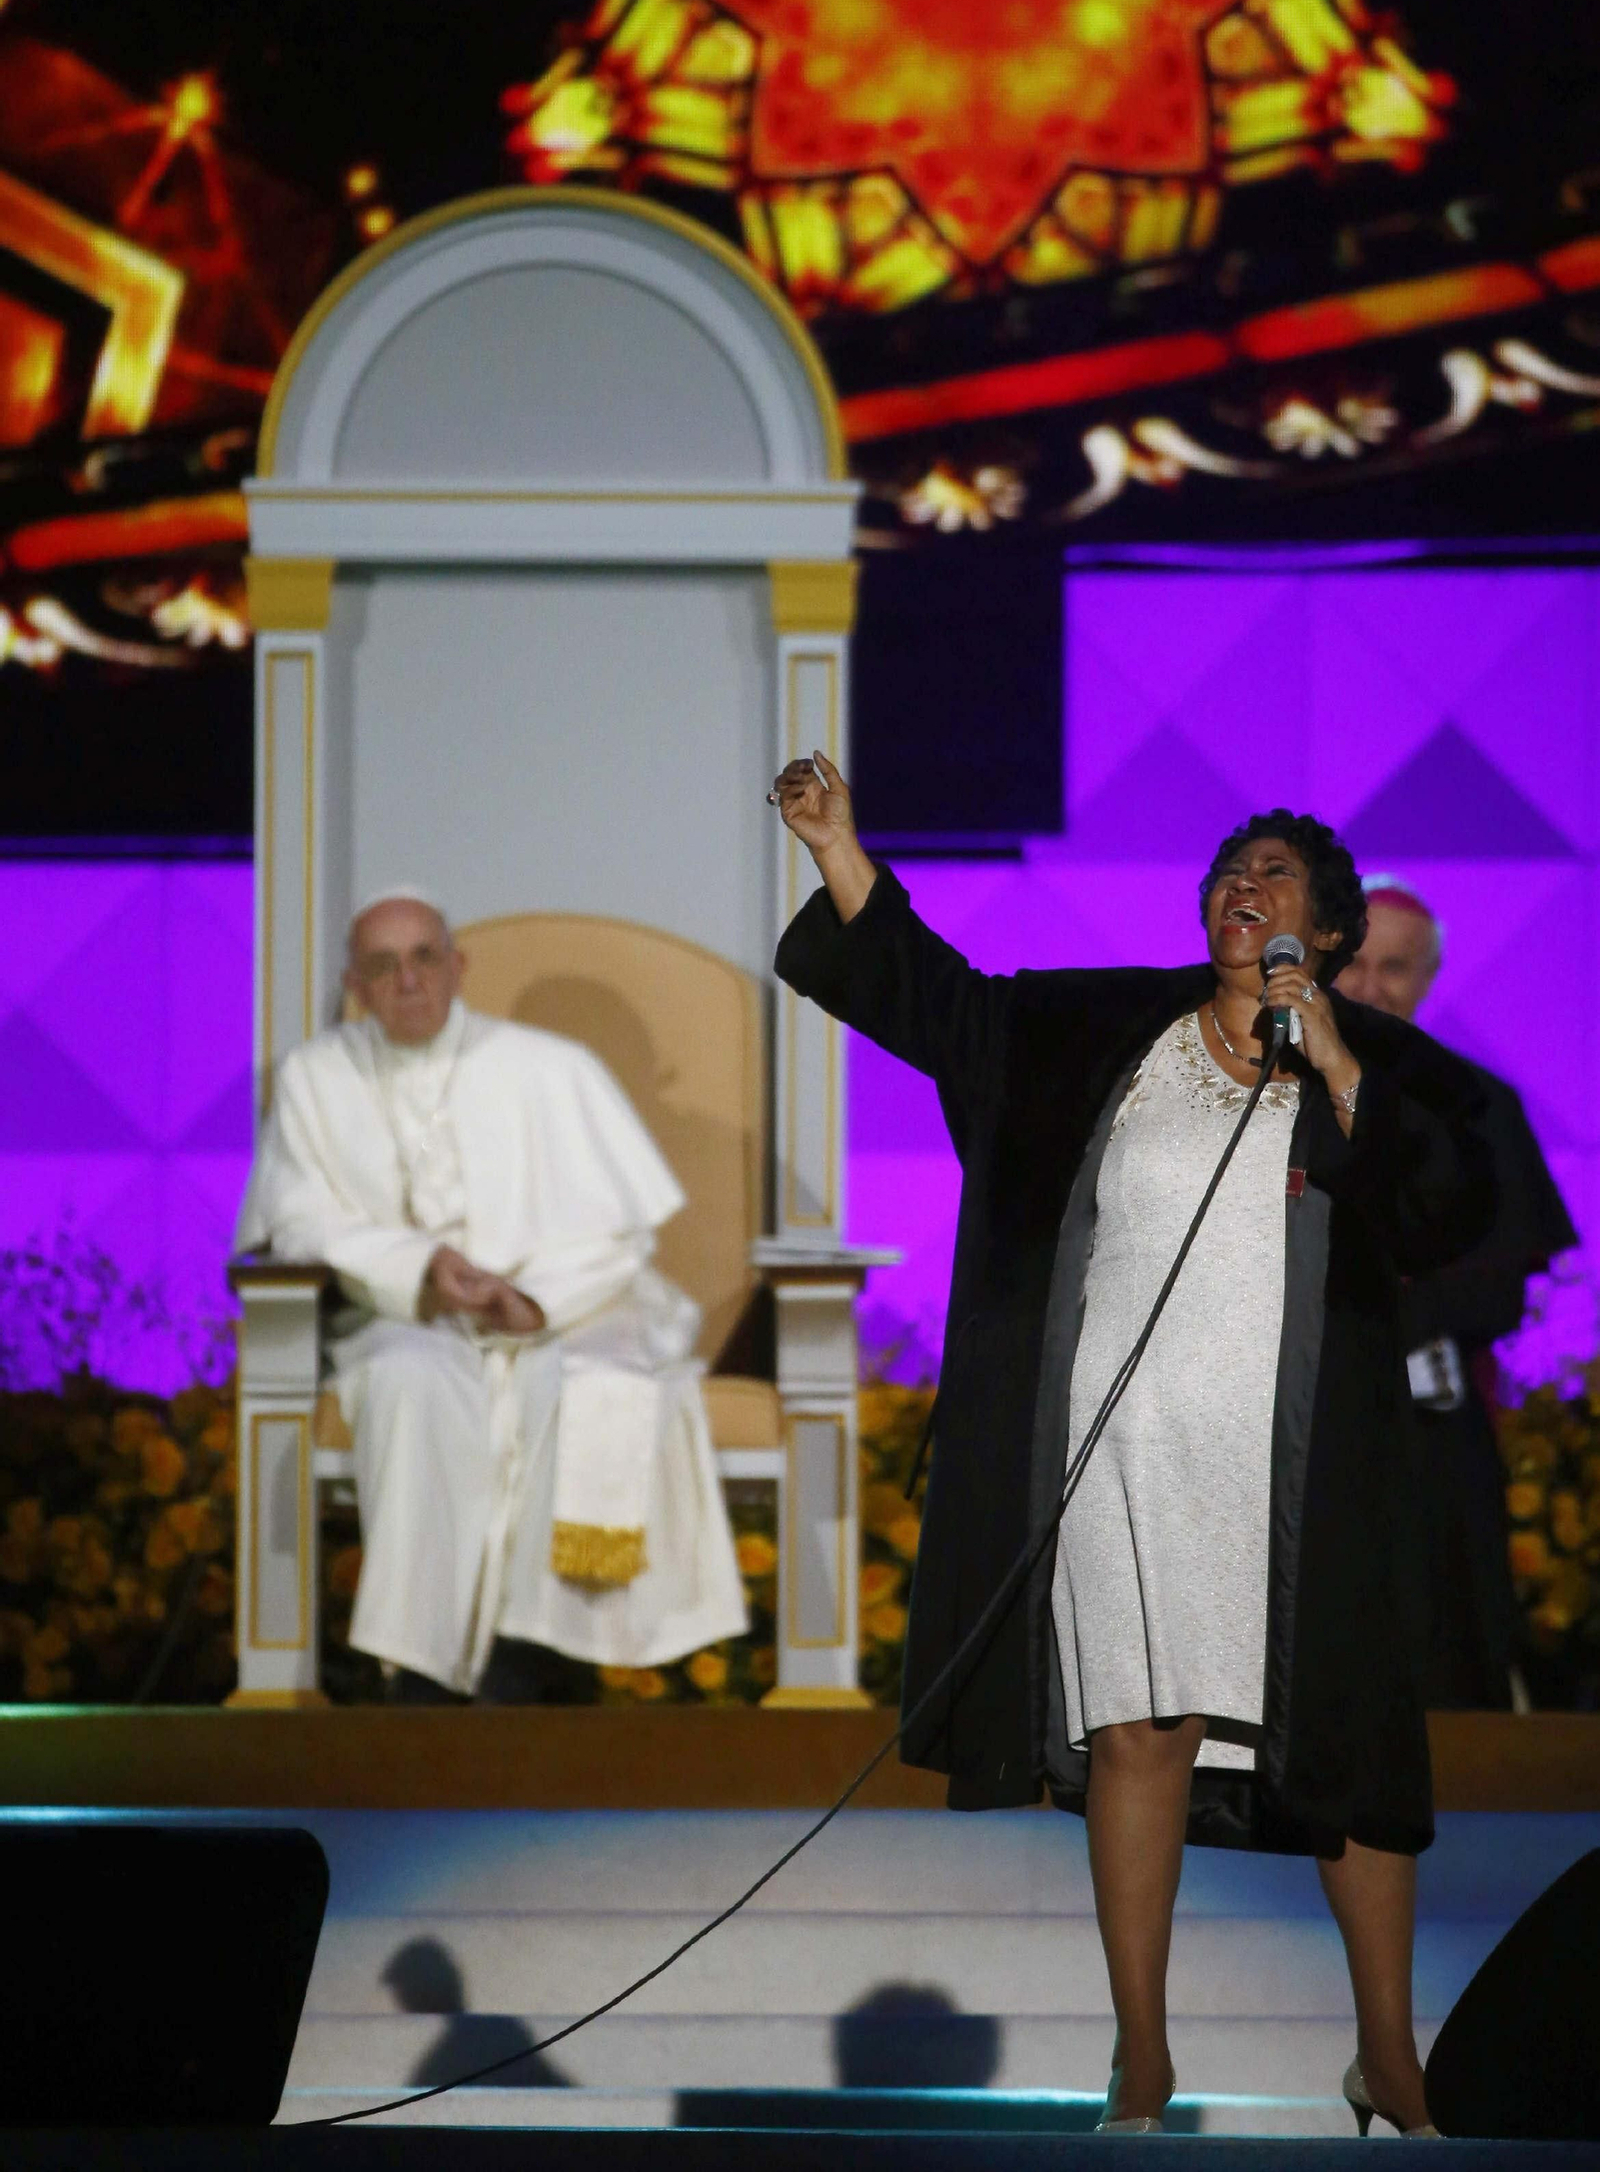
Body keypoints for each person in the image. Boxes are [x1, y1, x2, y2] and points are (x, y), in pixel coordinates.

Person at [770, 756, 1493, 2136]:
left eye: (1275, 874)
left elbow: (1443, 1212)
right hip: (1125, 1451)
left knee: (1348, 1742)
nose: (1244, 886)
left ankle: (1387, 2055)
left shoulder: (1389, 1072)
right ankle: (1142, 2059)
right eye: (1229, 871)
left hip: (1299, 1471)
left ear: (1329, 929)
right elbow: (940, 1004)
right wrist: (838, 848)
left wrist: (1335, 1055)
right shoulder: (1103, 1031)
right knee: (1141, 1730)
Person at [236, 888, 746, 1699]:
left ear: (457, 965)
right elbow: (298, 1220)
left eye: (424, 957)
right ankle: (421, 1672)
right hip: (406, 1316)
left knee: (576, 1386)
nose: (408, 980)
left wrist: (533, 1301)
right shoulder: (315, 1077)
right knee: (411, 1385)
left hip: (563, 1313)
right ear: (355, 985)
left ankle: (539, 1657)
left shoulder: (552, 1068)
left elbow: (616, 1237)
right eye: (383, 966)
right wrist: (420, 1266)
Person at [1338, 878, 1574, 1708]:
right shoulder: (1266, 1098)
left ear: (1428, 979)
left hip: (1428, 1435)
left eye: (1395, 968)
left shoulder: (1476, 1106)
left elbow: (1499, 1291)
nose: (1370, 987)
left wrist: (1377, 1312)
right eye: (1356, 962)